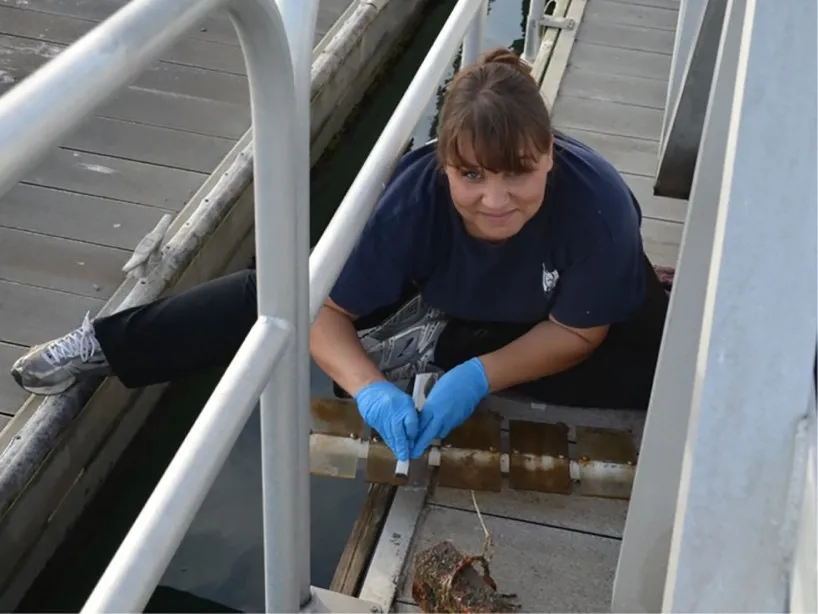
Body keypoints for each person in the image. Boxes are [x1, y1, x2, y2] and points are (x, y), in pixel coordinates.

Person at [10, 47, 669, 464]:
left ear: (550, 154)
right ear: (443, 166)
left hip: (546, 312)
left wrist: (474, 377)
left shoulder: (600, 207)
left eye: (517, 174)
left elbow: (581, 332)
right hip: (457, 287)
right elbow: (324, 314)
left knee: (659, 376)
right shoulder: (414, 201)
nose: (495, 199)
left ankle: (439, 347)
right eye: (471, 176)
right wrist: (371, 389)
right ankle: (102, 344)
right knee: (277, 297)